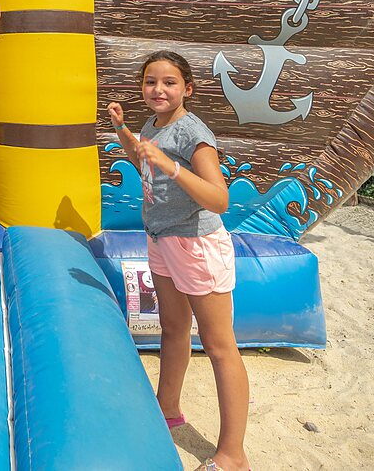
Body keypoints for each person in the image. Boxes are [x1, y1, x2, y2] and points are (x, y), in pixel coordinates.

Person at [107, 51, 250, 471]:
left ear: (187, 89)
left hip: (197, 245)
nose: (158, 90)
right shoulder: (154, 124)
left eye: (169, 83)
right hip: (162, 240)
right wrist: (123, 132)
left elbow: (219, 199)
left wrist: (168, 164)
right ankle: (166, 410)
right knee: (172, 329)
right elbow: (145, 163)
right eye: (150, 82)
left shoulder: (194, 134)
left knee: (220, 346)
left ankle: (232, 455)